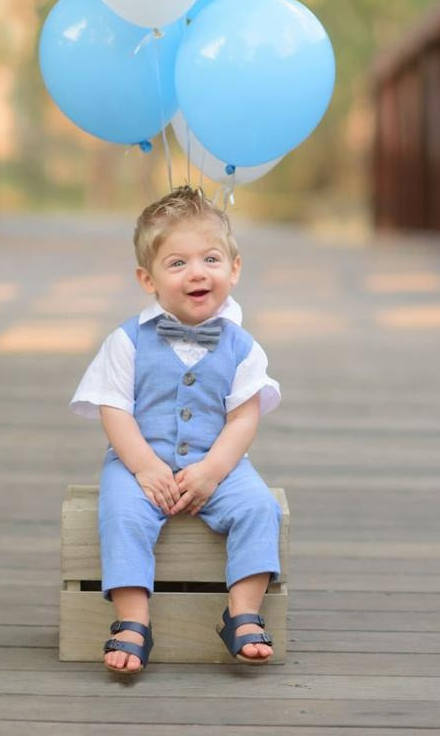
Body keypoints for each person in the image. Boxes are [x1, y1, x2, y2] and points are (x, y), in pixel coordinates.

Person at [70, 185, 282, 675]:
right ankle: (132, 619)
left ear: (234, 268)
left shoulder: (244, 347)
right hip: (140, 459)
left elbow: (243, 417)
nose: (197, 272)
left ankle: (243, 612)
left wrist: (213, 471)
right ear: (148, 279)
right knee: (122, 512)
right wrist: (145, 467)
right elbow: (114, 409)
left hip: (218, 462)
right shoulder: (127, 341)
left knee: (259, 507)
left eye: (211, 259)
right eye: (177, 263)